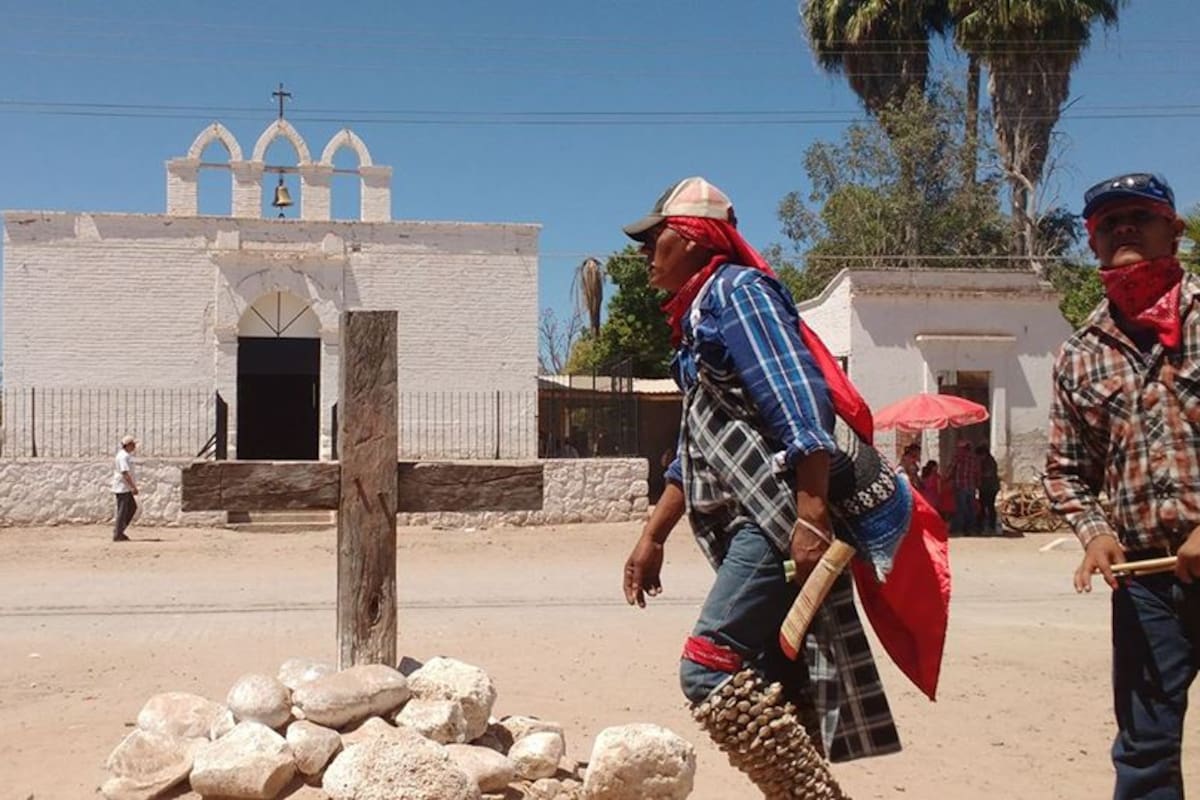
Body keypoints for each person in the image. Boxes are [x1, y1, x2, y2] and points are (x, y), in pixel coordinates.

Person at [619, 176, 948, 796]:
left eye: (652, 239)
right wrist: (652, 535)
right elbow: (695, 449)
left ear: (691, 237)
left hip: (772, 518)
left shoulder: (737, 294)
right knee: (779, 679)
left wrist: (811, 515)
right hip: (754, 516)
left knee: (707, 668)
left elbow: (800, 403)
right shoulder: (697, 316)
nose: (644, 254)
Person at [1043, 172, 1200, 799]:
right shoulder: (1079, 354)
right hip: (1146, 581)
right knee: (1145, 748)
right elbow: (1064, 470)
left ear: (1174, 229)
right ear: (1093, 245)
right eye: (1109, 223)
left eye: (1139, 215)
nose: (1124, 228)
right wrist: (1096, 533)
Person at [111, 434, 139, 542]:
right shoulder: (124, 456)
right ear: (128, 445)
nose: (134, 447)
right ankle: (118, 533)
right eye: (133, 444)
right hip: (122, 487)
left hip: (124, 487)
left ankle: (119, 531)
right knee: (123, 510)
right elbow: (125, 473)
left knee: (130, 508)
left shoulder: (123, 455)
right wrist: (133, 487)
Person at [948, 439, 980, 534]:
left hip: (960, 485)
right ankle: (971, 528)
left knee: (960, 508)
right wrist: (977, 484)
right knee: (971, 508)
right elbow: (977, 472)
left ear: (962, 448)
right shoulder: (975, 458)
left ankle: (959, 529)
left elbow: (951, 468)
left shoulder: (958, 456)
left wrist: (946, 478)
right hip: (971, 486)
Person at [975, 444, 1000, 535]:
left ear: (983, 454)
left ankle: (990, 526)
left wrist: (978, 475)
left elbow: (988, 473)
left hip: (990, 487)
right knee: (985, 506)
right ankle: (985, 525)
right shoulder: (986, 460)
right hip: (987, 487)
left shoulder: (989, 461)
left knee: (988, 506)